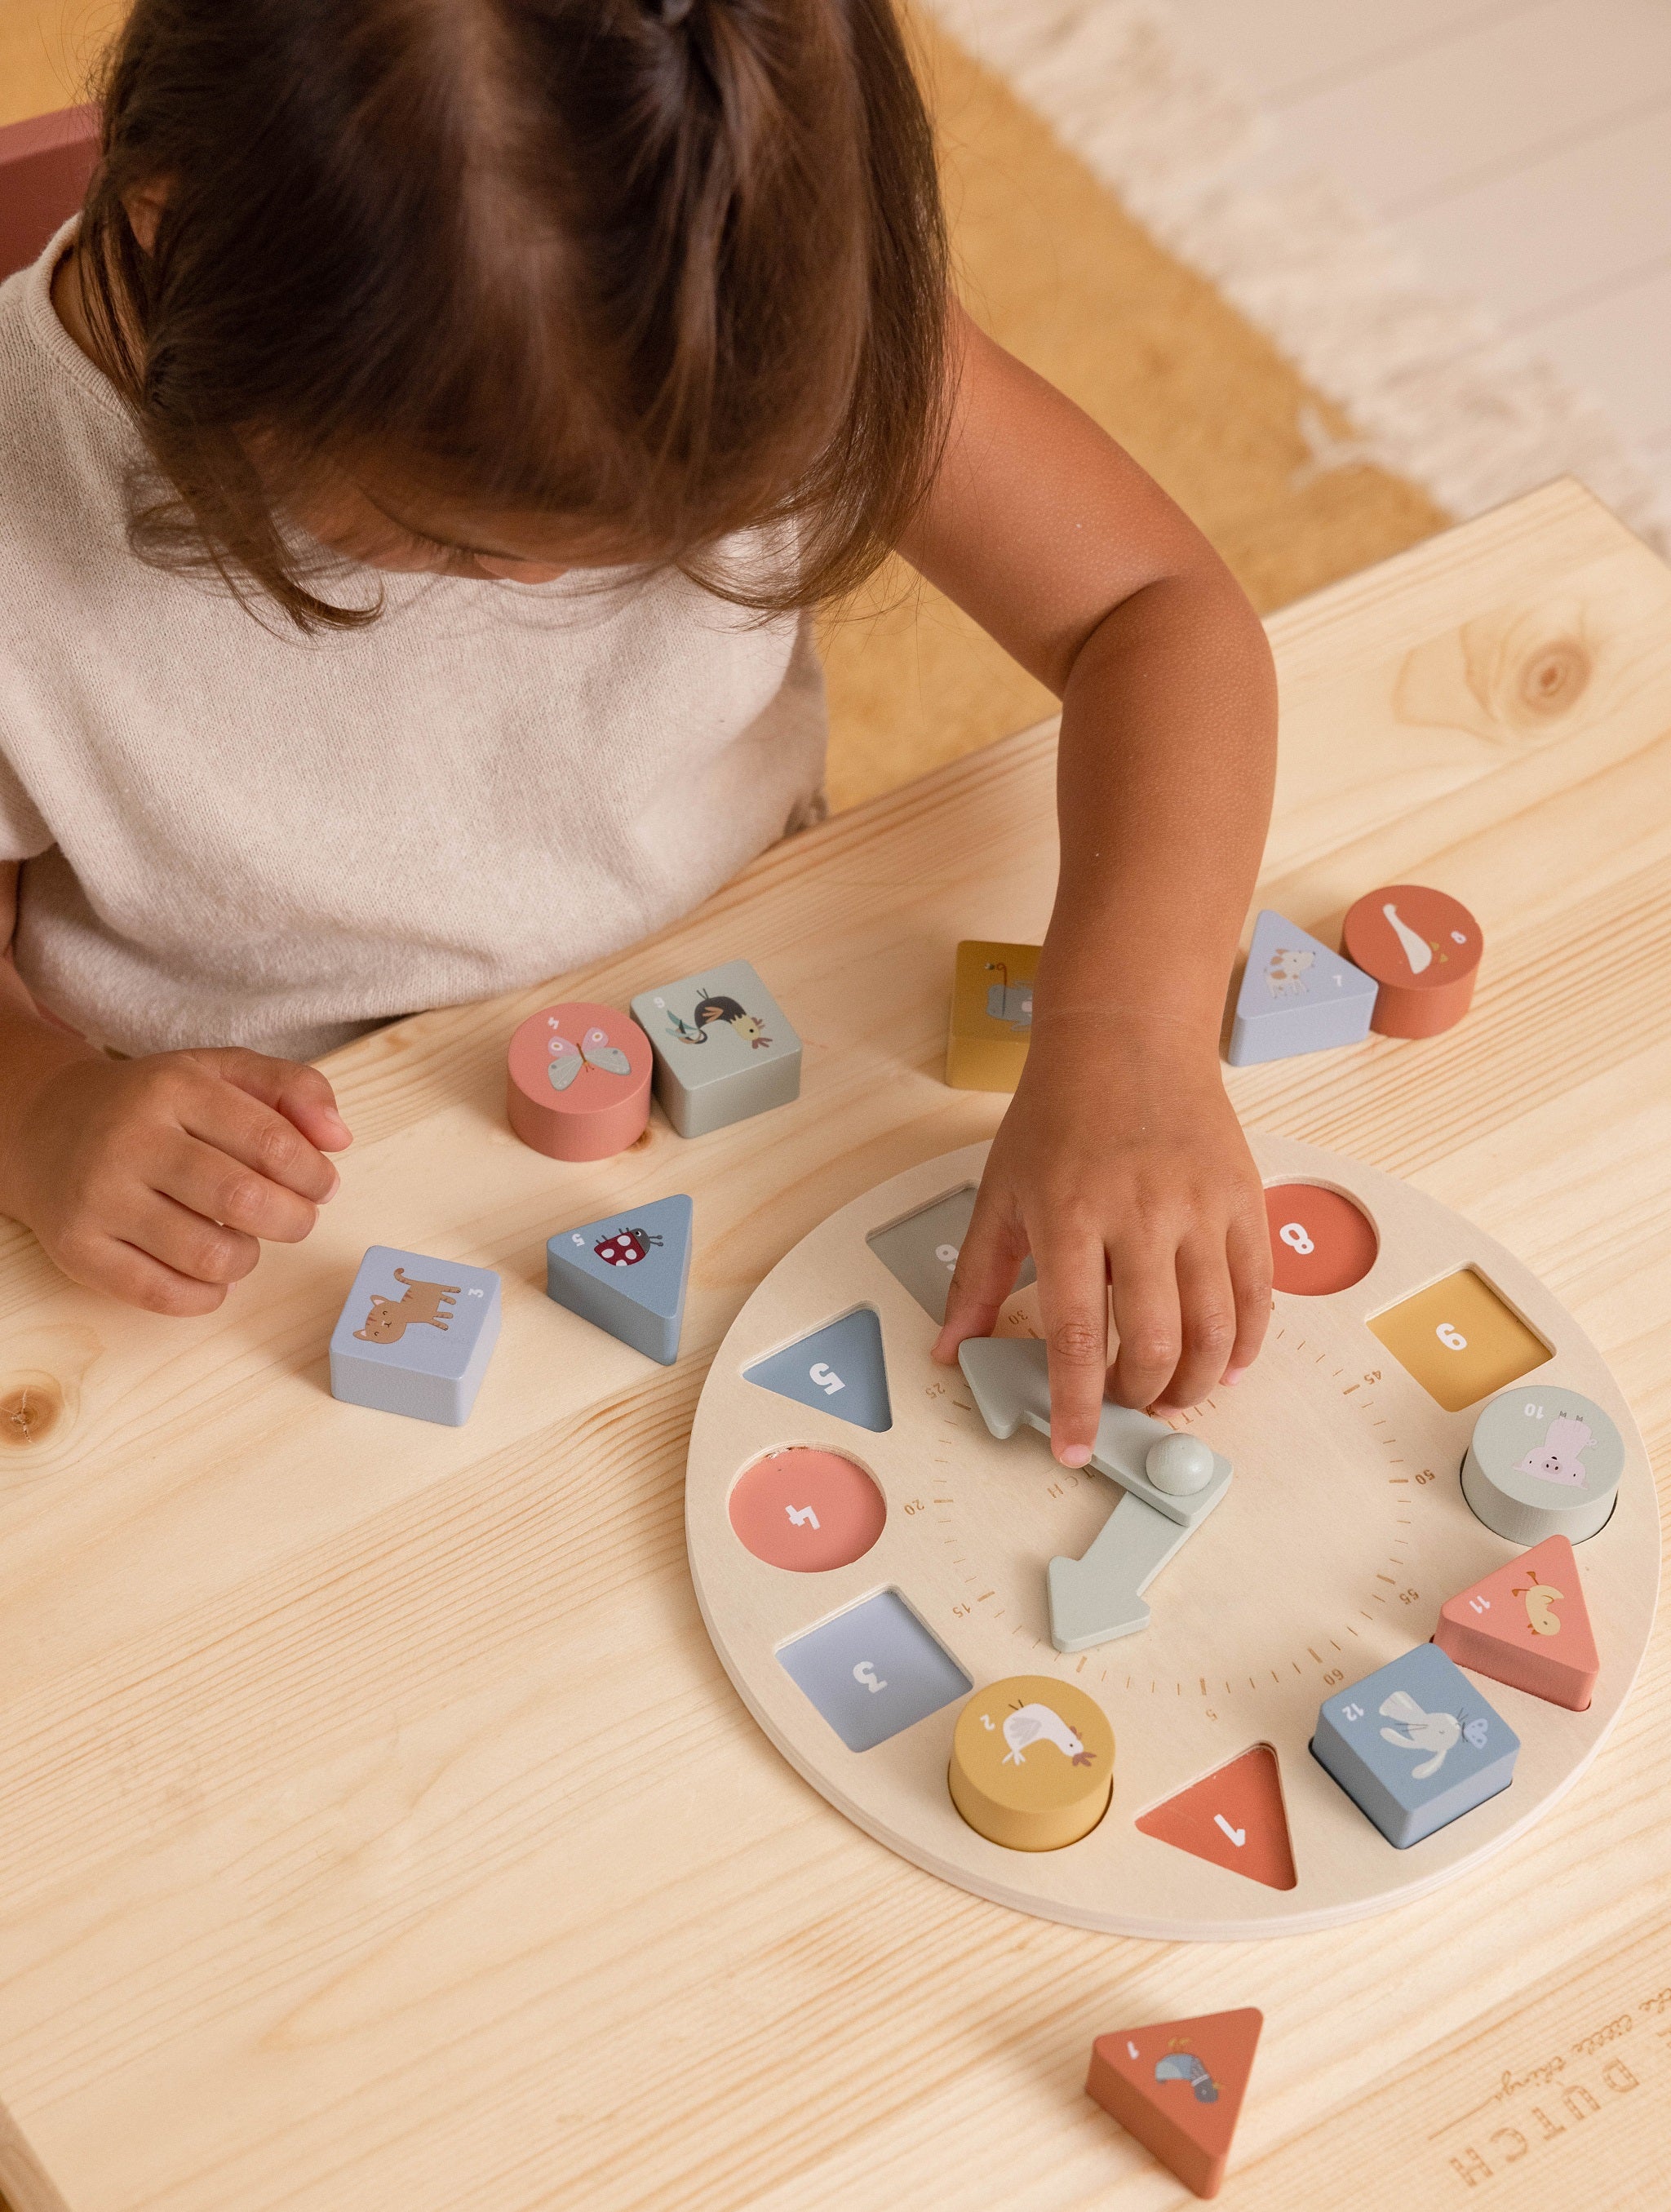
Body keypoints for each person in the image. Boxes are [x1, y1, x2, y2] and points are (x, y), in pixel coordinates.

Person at [0, 0, 1276, 1465]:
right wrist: (40, 1115)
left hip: (752, 1005)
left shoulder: (744, 292)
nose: (568, 595)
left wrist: (1131, 1033)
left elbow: (1154, 609)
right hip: (272, 1197)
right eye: (469, 549)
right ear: (175, 242)